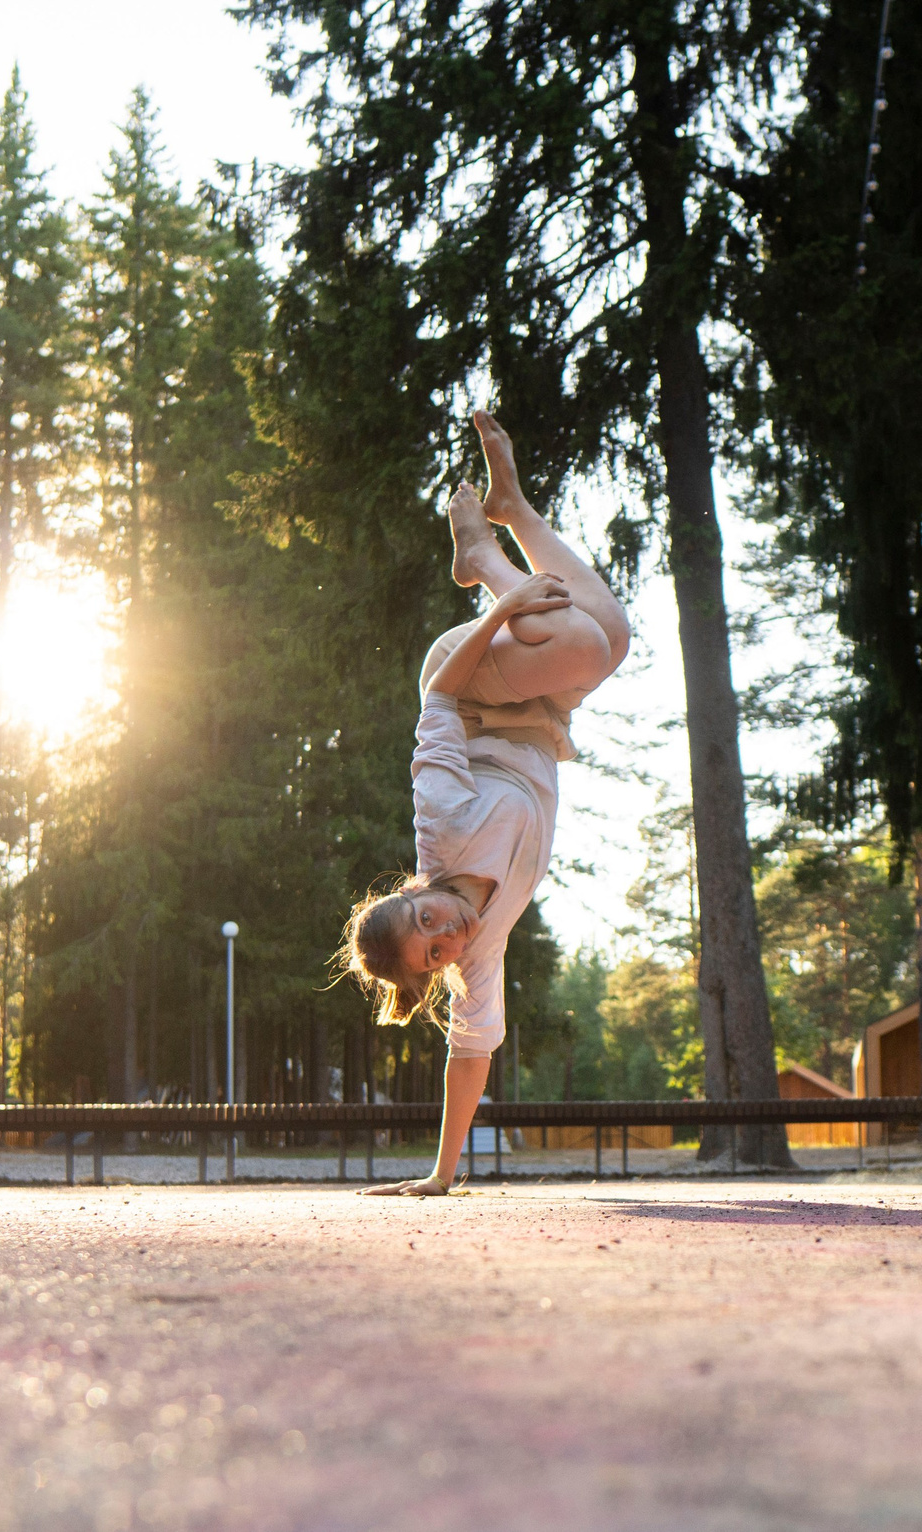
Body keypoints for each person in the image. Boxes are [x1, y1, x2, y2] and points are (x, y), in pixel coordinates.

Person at [339, 409, 631, 1195]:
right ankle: (512, 510)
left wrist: (500, 607)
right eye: (435, 952)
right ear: (437, 969)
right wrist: (440, 1176)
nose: (447, 933)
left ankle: (481, 553)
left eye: (425, 921)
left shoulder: (442, 824)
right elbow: (470, 1054)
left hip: (466, 686)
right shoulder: (483, 948)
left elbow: (436, 692)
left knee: (578, 646)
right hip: (533, 721)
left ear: (415, 893)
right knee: (611, 635)